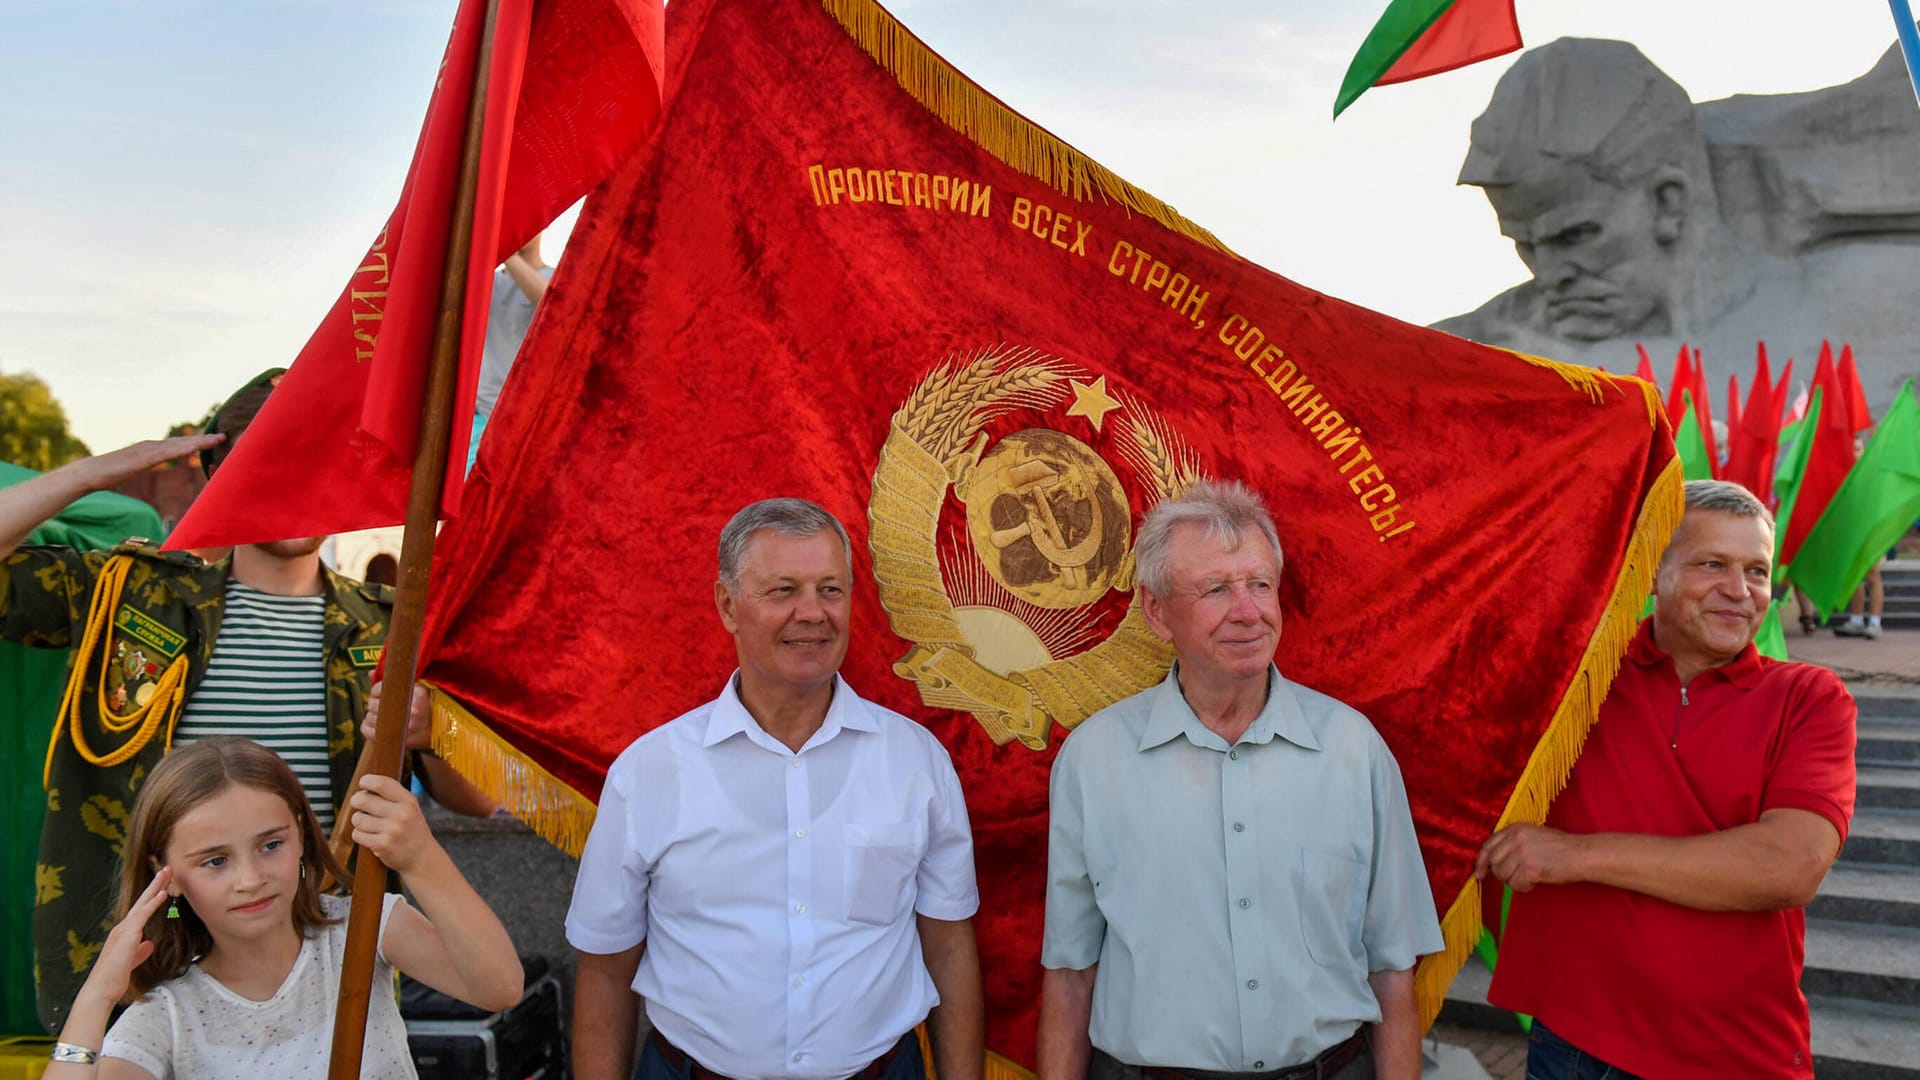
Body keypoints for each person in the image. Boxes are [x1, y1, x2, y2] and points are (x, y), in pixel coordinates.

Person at [1, 369, 494, 1028]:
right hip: (138, 976)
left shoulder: (393, 629)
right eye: (273, 460)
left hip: (325, 978)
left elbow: (476, 802)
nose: (300, 486)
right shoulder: (130, 593)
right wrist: (91, 476)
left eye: (322, 462)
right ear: (218, 468)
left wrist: (433, 733)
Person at [566, 498, 985, 1080]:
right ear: (727, 605)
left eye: (830, 590)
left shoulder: (915, 762)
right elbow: (606, 969)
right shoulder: (650, 771)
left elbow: (949, 947)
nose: (812, 613)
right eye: (783, 590)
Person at [1038, 479, 1442, 1080]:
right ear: (1156, 612)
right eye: (1216, 590)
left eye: (1260, 585)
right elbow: (1070, 976)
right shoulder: (1095, 761)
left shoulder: (1354, 751)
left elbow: (1392, 971)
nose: (1248, 612)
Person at [1476, 480, 1856, 1080]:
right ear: (1650, 573)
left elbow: (1788, 866)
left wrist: (1573, 856)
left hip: (1737, 1052)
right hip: (1576, 1044)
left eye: (1756, 571)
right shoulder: (1574, 674)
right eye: (1713, 565)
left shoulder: (1810, 698)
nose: (1739, 592)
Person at [42, 736, 522, 1079]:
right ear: (165, 874)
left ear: (299, 831)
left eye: (270, 845)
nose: (250, 879)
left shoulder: (362, 928)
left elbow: (499, 987)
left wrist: (420, 857)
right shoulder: (165, 1016)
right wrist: (97, 995)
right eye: (215, 861)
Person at [468, 234, 554, 471]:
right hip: (480, 422)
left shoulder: (556, 278)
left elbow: (552, 304)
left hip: (531, 424)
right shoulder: (487, 283)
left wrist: (509, 255)